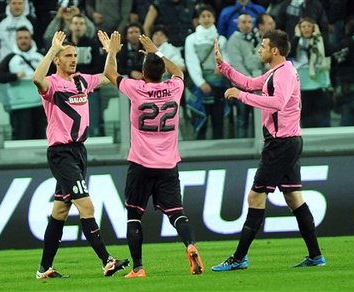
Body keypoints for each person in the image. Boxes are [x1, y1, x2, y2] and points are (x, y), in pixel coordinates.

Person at [211, 29, 326, 271]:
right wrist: (224, 67)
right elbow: (251, 84)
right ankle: (315, 256)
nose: (259, 50)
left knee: (255, 196)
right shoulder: (277, 71)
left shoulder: (283, 74)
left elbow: (278, 103)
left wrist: (241, 97)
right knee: (294, 197)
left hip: (281, 143)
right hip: (289, 141)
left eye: (263, 46)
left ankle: (239, 258)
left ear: (275, 50)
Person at [98, 30, 204, 278]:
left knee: (134, 215)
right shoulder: (174, 87)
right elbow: (178, 71)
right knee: (177, 213)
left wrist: (112, 51)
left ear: (143, 73)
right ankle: (189, 244)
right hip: (168, 163)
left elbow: (110, 74)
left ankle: (138, 268)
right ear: (162, 72)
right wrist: (157, 51)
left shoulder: (137, 88)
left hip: (141, 163)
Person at [32, 31, 129, 279]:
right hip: (61, 153)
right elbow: (36, 78)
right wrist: (52, 49)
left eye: (75, 55)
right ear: (58, 59)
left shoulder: (82, 81)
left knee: (60, 212)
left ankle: (44, 269)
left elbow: (109, 77)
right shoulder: (52, 84)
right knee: (86, 205)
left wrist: (111, 53)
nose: (73, 59)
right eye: (68, 55)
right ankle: (107, 260)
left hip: (78, 152)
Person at [185, 5, 229, 140]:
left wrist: (222, 67)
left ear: (214, 19)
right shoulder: (191, 39)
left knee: (218, 120)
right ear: (198, 20)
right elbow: (191, 62)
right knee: (200, 118)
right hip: (200, 85)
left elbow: (226, 57)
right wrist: (201, 82)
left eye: (209, 16)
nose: (206, 19)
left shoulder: (221, 39)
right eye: (203, 16)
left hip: (218, 82)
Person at [0, 26, 47, 140]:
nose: (23, 41)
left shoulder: (41, 56)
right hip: (19, 106)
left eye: (26, 38)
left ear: (31, 39)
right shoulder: (10, 58)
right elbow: (0, 77)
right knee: (22, 136)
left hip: (40, 105)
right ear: (16, 40)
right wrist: (15, 76)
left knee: (41, 137)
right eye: (20, 38)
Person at [226, 13, 263, 138]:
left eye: (249, 22)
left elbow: (262, 59)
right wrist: (251, 82)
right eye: (243, 22)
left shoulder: (258, 38)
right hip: (242, 86)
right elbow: (237, 65)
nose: (246, 25)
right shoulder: (233, 41)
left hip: (258, 85)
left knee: (260, 119)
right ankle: (241, 148)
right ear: (238, 24)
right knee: (242, 118)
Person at [290, 17, 331, 128]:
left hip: (319, 82)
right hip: (303, 85)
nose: (306, 29)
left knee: (322, 116)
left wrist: (318, 35)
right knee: (306, 117)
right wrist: (297, 36)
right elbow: (290, 52)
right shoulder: (297, 41)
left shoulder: (319, 40)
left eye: (309, 26)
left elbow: (328, 51)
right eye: (303, 26)